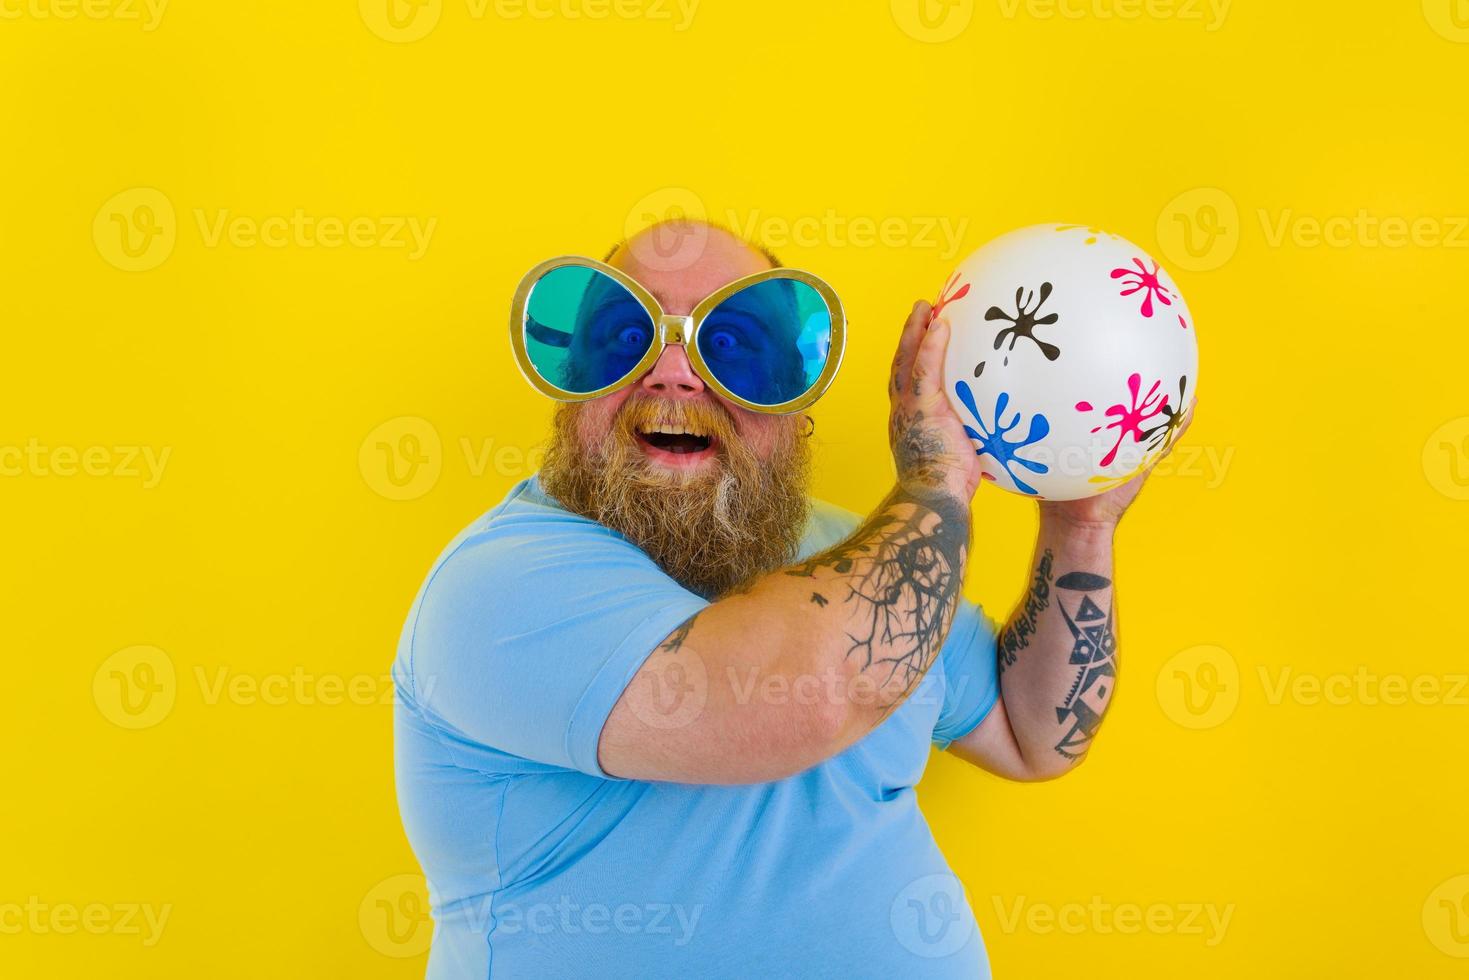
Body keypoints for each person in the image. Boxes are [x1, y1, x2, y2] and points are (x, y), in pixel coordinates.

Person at [391, 219, 1192, 978]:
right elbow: (799, 702)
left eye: (732, 347)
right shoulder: (498, 588)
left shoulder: (861, 548)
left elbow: (1034, 735)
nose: (672, 373)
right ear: (573, 391)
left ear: (794, 400)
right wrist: (938, 484)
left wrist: (1079, 523)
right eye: (623, 340)